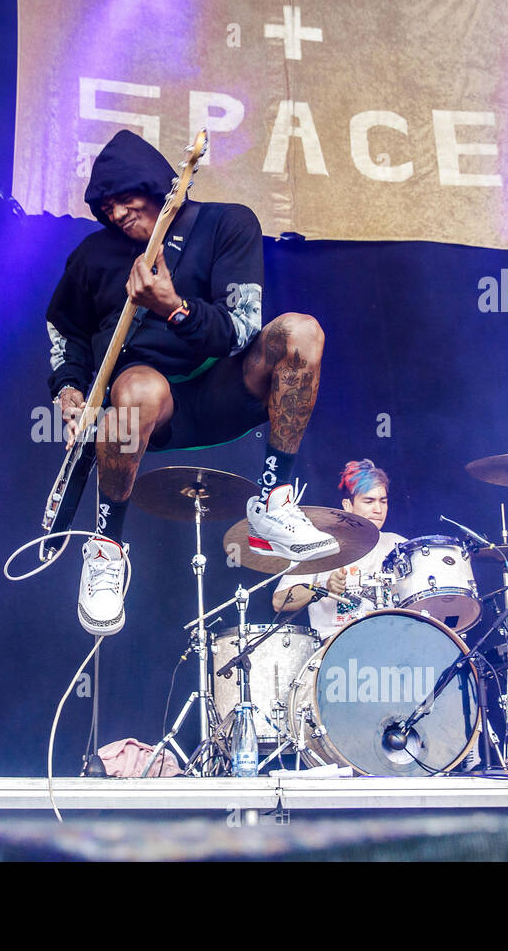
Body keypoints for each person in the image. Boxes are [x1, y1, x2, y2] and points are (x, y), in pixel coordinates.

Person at [45, 129, 336, 635]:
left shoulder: (228, 223)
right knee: (136, 390)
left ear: (157, 182)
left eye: (124, 198)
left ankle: (273, 501)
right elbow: (64, 329)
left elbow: (242, 329)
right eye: (106, 206)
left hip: (226, 387)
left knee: (302, 332)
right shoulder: (93, 256)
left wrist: (173, 308)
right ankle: (107, 548)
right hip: (152, 404)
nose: (116, 213)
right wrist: (68, 391)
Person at [272, 460, 407, 640]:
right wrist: (322, 588)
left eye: (383, 501)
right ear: (347, 505)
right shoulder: (319, 546)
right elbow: (279, 601)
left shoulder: (399, 546)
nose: (378, 509)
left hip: (393, 641)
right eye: (369, 501)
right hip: (336, 646)